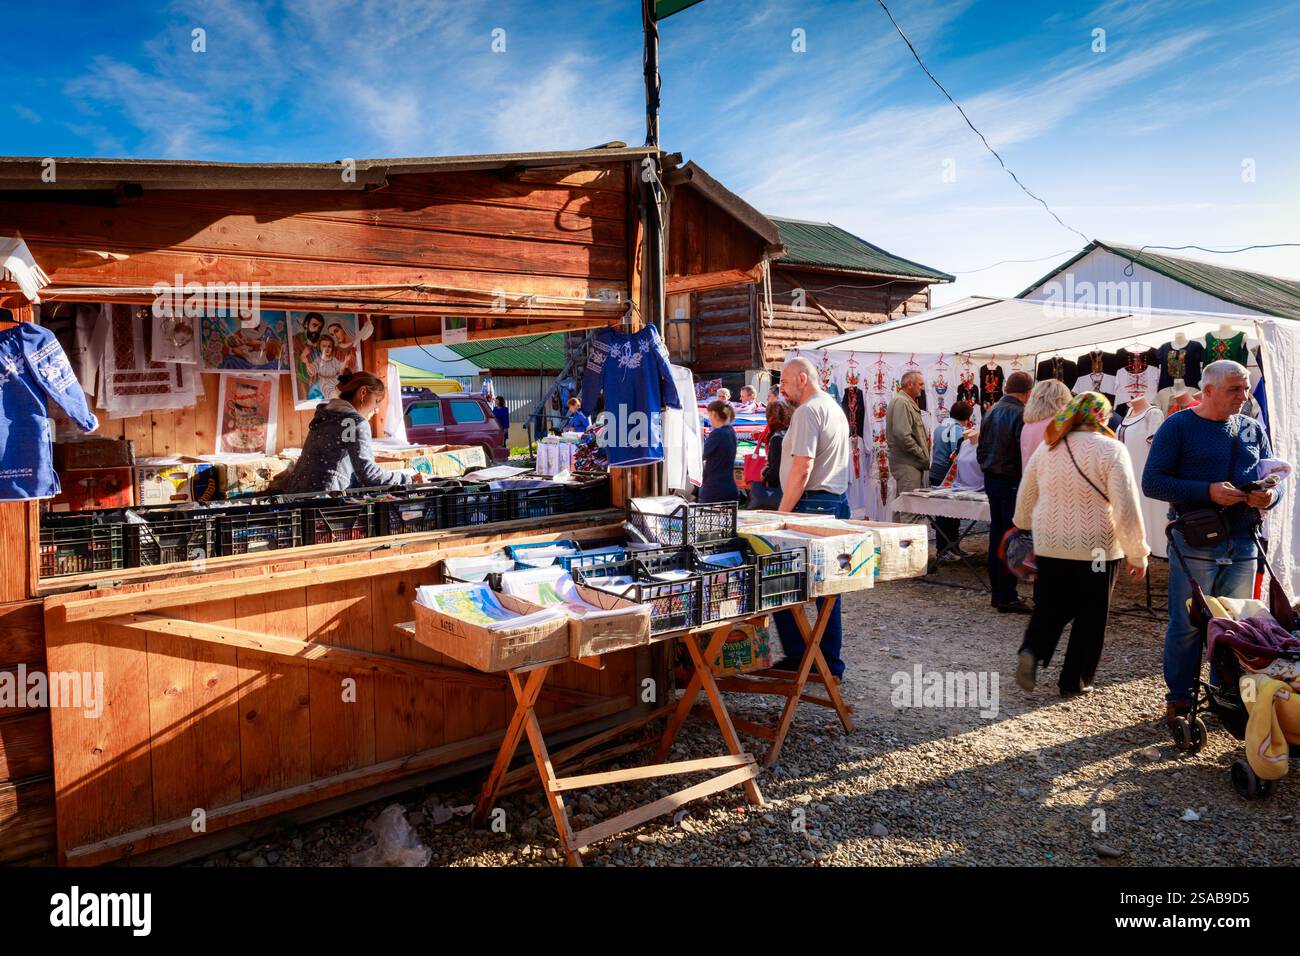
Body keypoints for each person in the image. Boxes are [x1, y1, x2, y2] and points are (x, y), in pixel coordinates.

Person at [1142, 360, 1285, 731]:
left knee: (1236, 625)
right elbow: (1153, 483)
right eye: (1235, 389)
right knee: (1188, 624)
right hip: (1196, 542)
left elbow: (1274, 478)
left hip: (1244, 540)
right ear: (1207, 390)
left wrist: (1269, 497)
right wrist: (1206, 491)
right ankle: (1180, 698)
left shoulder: (1252, 427)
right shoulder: (1178, 425)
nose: (1245, 395)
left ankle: (1226, 696)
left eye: (1246, 388)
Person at [1013, 392, 1150, 696]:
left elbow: (1024, 500)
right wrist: (1137, 553)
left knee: (1050, 604)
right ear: (1102, 415)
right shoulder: (1112, 449)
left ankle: (1033, 650)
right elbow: (1125, 506)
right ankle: (1074, 680)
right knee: (1091, 612)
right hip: (1098, 548)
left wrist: (1024, 523)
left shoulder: (1047, 448)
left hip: (1051, 544)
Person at [771, 356, 852, 678]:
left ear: (803, 378)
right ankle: (825, 662)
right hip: (832, 501)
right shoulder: (832, 406)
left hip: (811, 503)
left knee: (781, 583)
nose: (783, 390)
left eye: (786, 383)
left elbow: (802, 468)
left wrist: (781, 514)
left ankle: (806, 657)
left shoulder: (807, 411)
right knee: (826, 590)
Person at [284, 371, 423, 493]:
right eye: (376, 401)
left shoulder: (325, 414)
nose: (377, 409)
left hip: (296, 493)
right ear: (363, 393)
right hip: (325, 500)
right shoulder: (355, 423)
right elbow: (369, 474)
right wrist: (407, 479)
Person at [977, 370, 1035, 613]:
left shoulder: (990, 411)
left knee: (997, 535)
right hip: (1011, 480)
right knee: (1011, 537)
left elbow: (981, 447)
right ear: (1028, 392)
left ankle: (999, 593)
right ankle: (1006, 595)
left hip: (992, 479)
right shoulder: (1020, 414)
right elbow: (1022, 452)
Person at [929, 399, 975, 558]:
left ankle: (952, 547)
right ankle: (945, 549)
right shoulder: (957, 430)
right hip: (946, 474)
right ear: (967, 417)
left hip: (935, 471)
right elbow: (957, 455)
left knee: (945, 513)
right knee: (949, 514)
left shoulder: (940, 426)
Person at [886, 370, 930, 497]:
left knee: (902, 508)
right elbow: (902, 435)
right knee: (909, 511)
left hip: (909, 464)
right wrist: (921, 454)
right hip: (908, 465)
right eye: (920, 384)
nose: (922, 388)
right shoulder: (902, 402)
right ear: (910, 384)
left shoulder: (904, 401)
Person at [747, 399, 791, 510]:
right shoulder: (791, 433)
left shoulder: (777, 438)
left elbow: (775, 471)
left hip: (779, 490)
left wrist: (765, 473)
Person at [1020, 379, 1073, 470]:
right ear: (1063, 398)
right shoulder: (1058, 426)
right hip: (1051, 480)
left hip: (1030, 480)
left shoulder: (1028, 425)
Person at [699, 401, 740, 503]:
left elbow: (701, 455)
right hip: (729, 488)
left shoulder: (718, 433)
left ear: (714, 414)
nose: (709, 418)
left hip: (714, 490)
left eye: (709, 415)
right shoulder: (730, 431)